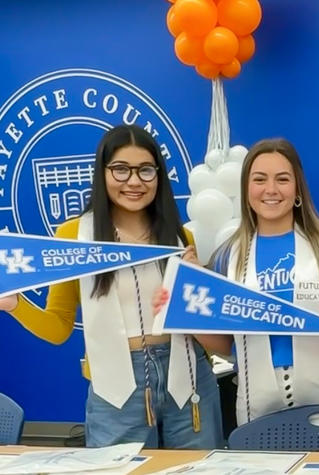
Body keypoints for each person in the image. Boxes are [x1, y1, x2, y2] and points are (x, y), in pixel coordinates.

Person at [0, 125, 223, 448]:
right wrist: (15, 305)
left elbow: (203, 321)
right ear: (102, 173)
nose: (134, 181)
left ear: (158, 176)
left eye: (146, 170)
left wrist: (197, 286)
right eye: (121, 169)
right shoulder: (73, 236)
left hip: (188, 377)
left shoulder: (180, 237)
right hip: (115, 386)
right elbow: (59, 327)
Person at [165, 138, 319, 426]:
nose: (271, 190)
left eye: (282, 179)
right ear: (246, 189)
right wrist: (183, 312)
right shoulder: (228, 256)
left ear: (297, 188)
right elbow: (227, 344)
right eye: (259, 179)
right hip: (256, 406)